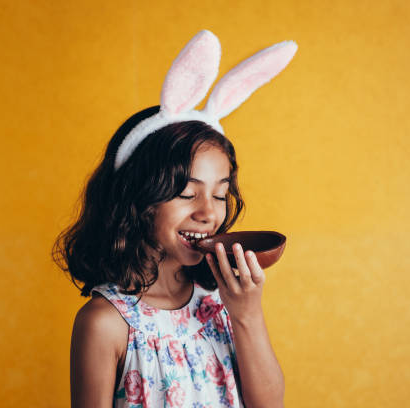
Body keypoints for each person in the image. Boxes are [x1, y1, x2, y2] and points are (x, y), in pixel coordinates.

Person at [52, 30, 297, 408]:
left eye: (220, 194)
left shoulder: (220, 302)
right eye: (187, 193)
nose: (208, 212)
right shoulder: (106, 323)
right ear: (138, 198)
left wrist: (247, 315)